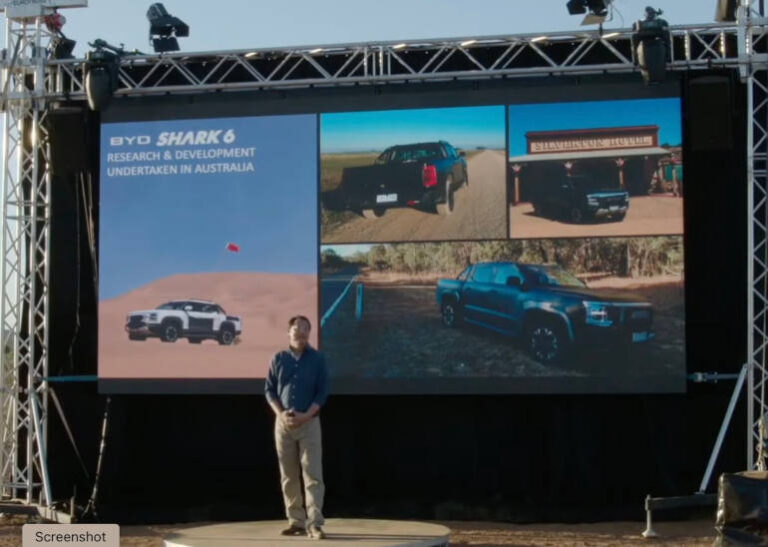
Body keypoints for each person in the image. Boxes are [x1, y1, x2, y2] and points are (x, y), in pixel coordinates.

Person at [265, 315, 329, 540]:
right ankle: (296, 522)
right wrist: (280, 414)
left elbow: (322, 393)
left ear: (309, 334)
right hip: (283, 425)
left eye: (305, 329)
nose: (300, 332)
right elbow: (270, 390)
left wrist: (306, 415)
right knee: (288, 476)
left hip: (309, 423)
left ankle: (315, 524)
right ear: (288, 332)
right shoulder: (278, 358)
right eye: (296, 328)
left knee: (312, 475)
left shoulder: (318, 359)